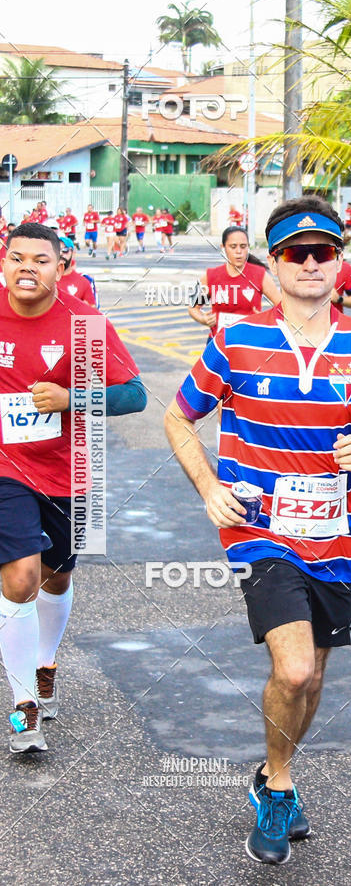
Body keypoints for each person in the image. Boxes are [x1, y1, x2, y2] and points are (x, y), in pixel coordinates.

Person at [165, 195, 351, 865]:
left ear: (340, 263)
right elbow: (176, 418)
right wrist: (211, 488)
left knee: (314, 676)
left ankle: (277, 768)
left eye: (322, 251)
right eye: (294, 253)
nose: (309, 263)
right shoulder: (236, 340)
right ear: (272, 265)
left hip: (339, 538)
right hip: (260, 532)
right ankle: (278, 786)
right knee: (294, 665)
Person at [0, 222, 146, 753]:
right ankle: (23, 707)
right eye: (16, 258)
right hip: (6, 470)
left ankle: (45, 663)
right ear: (4, 262)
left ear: (60, 269)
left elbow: (134, 396)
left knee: (57, 577)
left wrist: (71, 398)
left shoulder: (84, 324)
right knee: (21, 578)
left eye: (40, 260)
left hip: (71, 468)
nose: (26, 269)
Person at [189, 226, 279, 338]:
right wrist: (203, 319)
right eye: (233, 247)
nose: (238, 252)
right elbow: (193, 308)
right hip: (219, 344)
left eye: (243, 246)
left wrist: (265, 319)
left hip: (249, 344)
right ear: (223, 248)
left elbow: (283, 307)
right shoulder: (211, 276)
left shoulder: (260, 275)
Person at [56, 236, 98, 307]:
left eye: (65, 250)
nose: (61, 254)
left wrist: (80, 309)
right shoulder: (45, 280)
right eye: (57, 250)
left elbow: (94, 316)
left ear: (73, 253)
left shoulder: (84, 281)